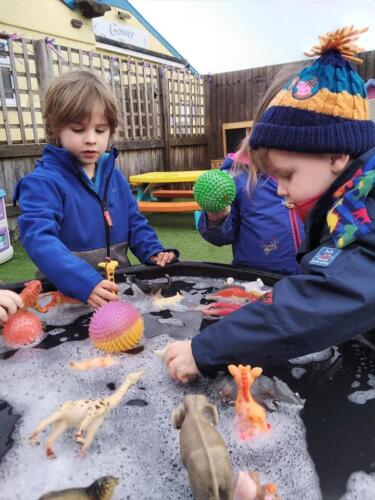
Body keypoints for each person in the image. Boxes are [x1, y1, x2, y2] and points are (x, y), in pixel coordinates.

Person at [164, 26, 375, 382]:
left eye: (287, 175)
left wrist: (205, 349)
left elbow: (323, 298)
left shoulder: (364, 209)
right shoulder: (350, 195)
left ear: (337, 155)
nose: (279, 190)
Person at [15, 70, 178, 308]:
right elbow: (39, 239)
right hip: (63, 298)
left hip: (116, 291)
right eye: (78, 130)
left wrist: (153, 251)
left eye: (100, 130)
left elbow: (134, 222)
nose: (91, 139)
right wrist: (84, 282)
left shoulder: (115, 177)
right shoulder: (42, 183)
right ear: (54, 128)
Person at [198, 71, 305, 274]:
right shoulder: (239, 175)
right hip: (256, 282)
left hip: (311, 282)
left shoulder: (323, 173)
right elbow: (221, 237)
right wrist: (217, 217)